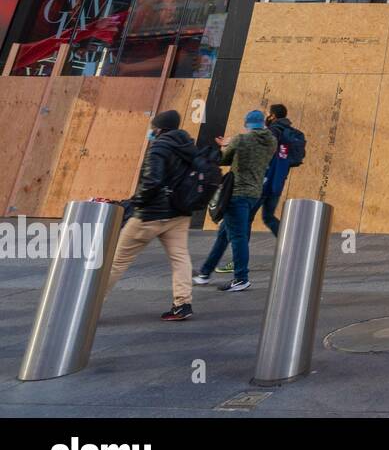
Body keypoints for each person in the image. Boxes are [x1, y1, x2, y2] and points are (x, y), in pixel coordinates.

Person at [106, 110, 197, 321]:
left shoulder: (159, 147)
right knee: (180, 258)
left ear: (159, 128)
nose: (150, 132)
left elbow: (152, 181)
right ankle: (182, 304)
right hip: (180, 213)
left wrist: (135, 202)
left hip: (151, 214)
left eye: (152, 128)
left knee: (117, 261)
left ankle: (87, 306)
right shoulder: (189, 146)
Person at [193, 110, 278, 292]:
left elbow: (223, 159)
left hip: (237, 193)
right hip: (254, 194)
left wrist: (225, 144)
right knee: (223, 235)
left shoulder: (241, 140)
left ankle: (241, 278)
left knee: (238, 237)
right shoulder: (271, 141)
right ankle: (204, 273)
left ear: (247, 124)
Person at [215, 103, 304, 272]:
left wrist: (229, 142)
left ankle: (237, 263)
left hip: (261, 183)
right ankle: (293, 250)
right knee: (269, 217)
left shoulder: (272, 131)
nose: (267, 117)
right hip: (277, 183)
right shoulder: (291, 134)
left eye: (269, 114)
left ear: (273, 116)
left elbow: (249, 142)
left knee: (245, 220)